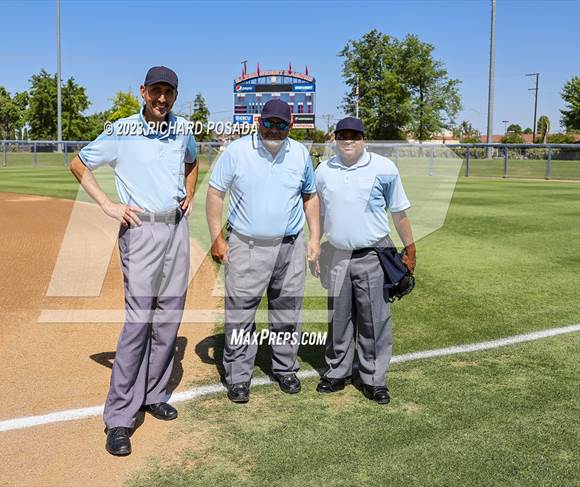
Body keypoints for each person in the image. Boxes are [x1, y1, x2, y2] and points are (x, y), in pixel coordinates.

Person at [69, 66, 198, 455]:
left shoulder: (183, 129)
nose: (162, 98)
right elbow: (78, 163)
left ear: (175, 96)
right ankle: (120, 417)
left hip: (176, 229)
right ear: (143, 91)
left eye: (169, 92)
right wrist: (108, 205)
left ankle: (154, 393)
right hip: (140, 230)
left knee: (169, 317)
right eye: (156, 91)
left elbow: (193, 161)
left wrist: (189, 193)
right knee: (139, 321)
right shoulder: (122, 130)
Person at [206, 99, 320, 403]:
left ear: (290, 125)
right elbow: (215, 194)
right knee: (241, 314)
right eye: (268, 123)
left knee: (287, 312)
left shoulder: (300, 154)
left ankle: (285, 368)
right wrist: (217, 239)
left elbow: (310, 196)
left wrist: (314, 237)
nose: (273, 129)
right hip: (247, 244)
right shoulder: (237, 151)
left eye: (281, 124)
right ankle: (238, 377)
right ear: (258, 121)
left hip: (290, 245)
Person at [314, 117, 415, 404]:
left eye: (354, 135)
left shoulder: (384, 168)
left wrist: (410, 248)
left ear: (363, 139)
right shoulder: (323, 171)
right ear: (335, 139)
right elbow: (317, 215)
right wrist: (314, 245)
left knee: (375, 320)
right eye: (342, 135)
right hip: (336, 254)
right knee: (338, 318)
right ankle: (337, 372)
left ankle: (374, 379)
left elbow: (399, 212)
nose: (348, 140)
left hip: (372, 254)